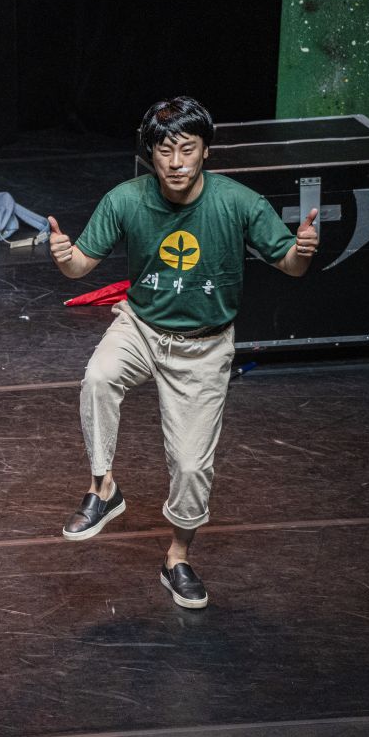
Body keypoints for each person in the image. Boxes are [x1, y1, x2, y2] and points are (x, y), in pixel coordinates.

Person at [47, 96, 319, 609]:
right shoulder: (126, 199)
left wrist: (301, 250)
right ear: (150, 154)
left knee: (192, 468)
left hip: (204, 347)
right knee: (99, 376)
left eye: (187, 149)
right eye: (164, 151)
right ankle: (103, 488)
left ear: (205, 151)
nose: (175, 163)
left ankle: (177, 558)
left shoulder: (238, 201)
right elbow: (81, 266)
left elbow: (291, 265)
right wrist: (64, 257)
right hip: (141, 327)